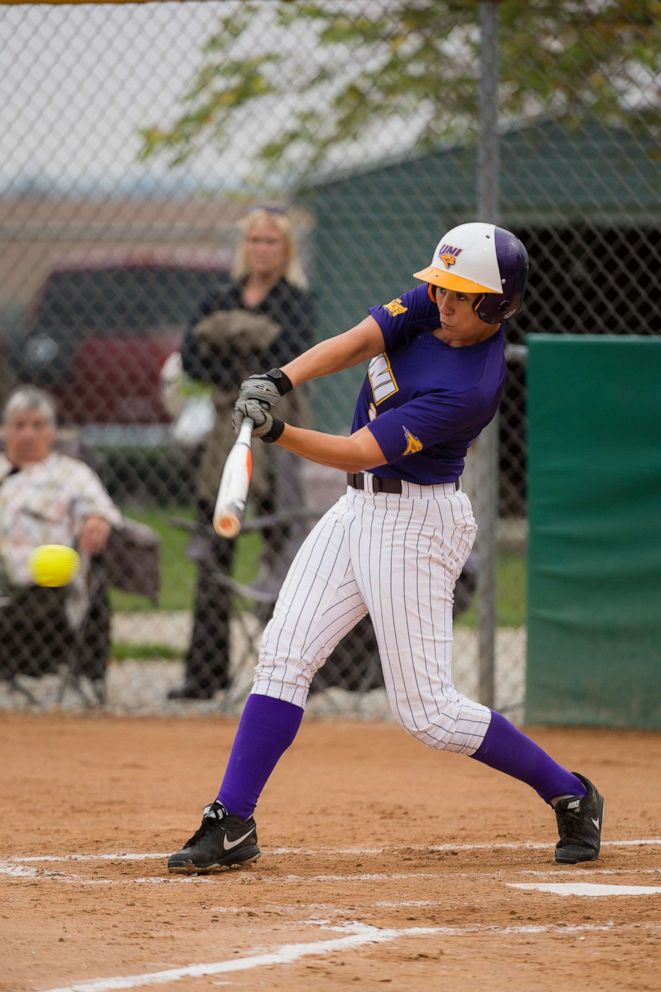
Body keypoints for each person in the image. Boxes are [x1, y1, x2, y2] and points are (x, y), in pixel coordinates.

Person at [168, 222, 604, 873]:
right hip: (357, 509)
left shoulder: (469, 387)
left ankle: (571, 795)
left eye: (459, 296)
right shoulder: (437, 302)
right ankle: (232, 818)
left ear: (496, 305)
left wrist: (276, 429)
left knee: (426, 713)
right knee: (283, 655)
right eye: (441, 290)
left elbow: (357, 449)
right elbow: (357, 342)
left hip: (415, 524)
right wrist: (278, 378)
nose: (441, 302)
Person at [167, 206, 315, 701]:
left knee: (286, 550)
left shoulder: (295, 301)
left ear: (285, 249)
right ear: (243, 246)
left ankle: (288, 677)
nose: (262, 249)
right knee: (214, 548)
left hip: (277, 435)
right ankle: (204, 675)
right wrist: (251, 333)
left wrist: (226, 333)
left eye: (272, 241)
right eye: (255, 240)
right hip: (223, 440)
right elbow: (192, 355)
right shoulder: (220, 295)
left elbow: (290, 351)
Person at [0, 387, 122, 699]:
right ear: (4, 429)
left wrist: (97, 521)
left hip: (39, 591)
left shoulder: (71, 473)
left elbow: (101, 510)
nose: (27, 434)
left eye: (38, 425)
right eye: (19, 425)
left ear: (52, 432)